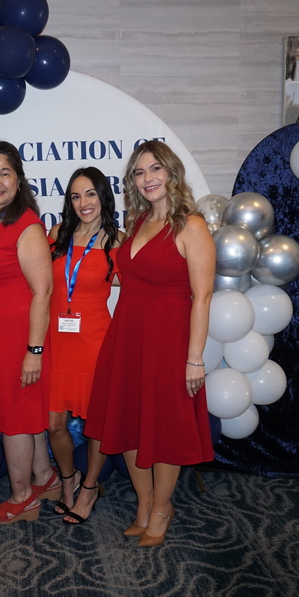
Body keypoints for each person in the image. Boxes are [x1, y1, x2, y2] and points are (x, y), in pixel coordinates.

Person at [84, 140, 215, 547]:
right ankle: (143, 504)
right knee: (127, 421)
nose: (147, 178)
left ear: (171, 172)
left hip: (169, 342)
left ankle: (162, 508)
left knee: (165, 428)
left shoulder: (191, 226)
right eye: (139, 173)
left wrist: (195, 359)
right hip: (127, 336)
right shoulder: (138, 222)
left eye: (155, 169)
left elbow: (202, 297)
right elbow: (126, 275)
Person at [0, 141, 56, 525]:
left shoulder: (26, 225)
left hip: (19, 340)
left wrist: (33, 351)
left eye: (5, 173)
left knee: (15, 419)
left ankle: (22, 498)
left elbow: (43, 292)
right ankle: (45, 478)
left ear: (19, 180)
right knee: (25, 414)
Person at [45, 167, 124, 524]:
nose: (83, 203)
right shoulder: (57, 234)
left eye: (90, 194)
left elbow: (135, 290)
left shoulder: (117, 241)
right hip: (56, 343)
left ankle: (89, 488)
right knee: (54, 424)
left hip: (94, 344)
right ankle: (68, 481)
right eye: (75, 196)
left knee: (96, 425)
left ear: (103, 196)